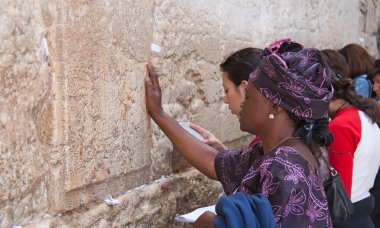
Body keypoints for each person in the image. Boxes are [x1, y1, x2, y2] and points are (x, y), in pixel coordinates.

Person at [145, 38, 333, 227]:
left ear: (274, 107)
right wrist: (158, 113)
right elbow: (213, 162)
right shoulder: (278, 151)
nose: (243, 103)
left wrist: (209, 223)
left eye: (249, 96)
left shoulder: (282, 166)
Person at [324, 62, 380, 227]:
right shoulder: (364, 115)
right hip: (362, 205)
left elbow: (341, 191)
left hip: (347, 215)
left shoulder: (341, 125)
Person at [189, 48, 263, 150]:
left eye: (227, 90)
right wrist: (223, 152)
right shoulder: (268, 141)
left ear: (245, 89)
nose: (225, 100)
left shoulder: (275, 150)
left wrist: (160, 114)